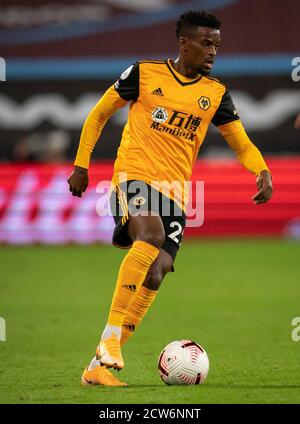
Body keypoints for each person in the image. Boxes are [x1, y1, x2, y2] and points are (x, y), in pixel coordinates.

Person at [67, 10, 273, 387]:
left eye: (217, 45)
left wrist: (260, 170)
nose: (213, 52)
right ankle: (111, 339)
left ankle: (97, 368)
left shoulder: (215, 94)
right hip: (133, 177)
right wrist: (81, 166)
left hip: (177, 193)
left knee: (158, 271)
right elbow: (98, 115)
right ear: (184, 43)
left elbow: (240, 143)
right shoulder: (143, 74)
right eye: (206, 43)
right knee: (151, 235)